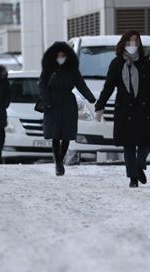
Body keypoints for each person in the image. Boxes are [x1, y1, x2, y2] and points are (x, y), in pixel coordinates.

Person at [95, 31, 150, 188]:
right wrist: (100, 106)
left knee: (147, 143)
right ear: (124, 43)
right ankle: (133, 177)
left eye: (136, 41)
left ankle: (138, 167)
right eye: (130, 42)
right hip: (125, 110)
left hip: (144, 109)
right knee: (129, 145)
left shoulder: (145, 63)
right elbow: (108, 87)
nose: (133, 45)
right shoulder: (117, 63)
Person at [39, 42, 96, 176]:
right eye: (58, 55)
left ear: (67, 56)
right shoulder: (48, 69)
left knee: (66, 134)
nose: (61, 57)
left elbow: (81, 85)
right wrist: (46, 101)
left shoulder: (72, 70)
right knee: (54, 134)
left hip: (68, 103)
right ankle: (58, 163)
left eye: (63, 55)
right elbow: (42, 85)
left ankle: (60, 159)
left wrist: (91, 98)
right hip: (52, 103)